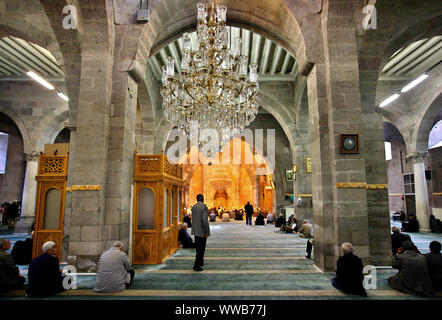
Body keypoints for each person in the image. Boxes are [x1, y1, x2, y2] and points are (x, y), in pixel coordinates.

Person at [191, 194, 210, 272]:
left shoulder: (193, 207)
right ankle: (196, 265)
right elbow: (205, 221)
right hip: (202, 231)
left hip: (195, 230)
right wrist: (207, 232)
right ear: (203, 199)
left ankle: (201, 262)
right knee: (201, 249)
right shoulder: (204, 207)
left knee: (198, 248)